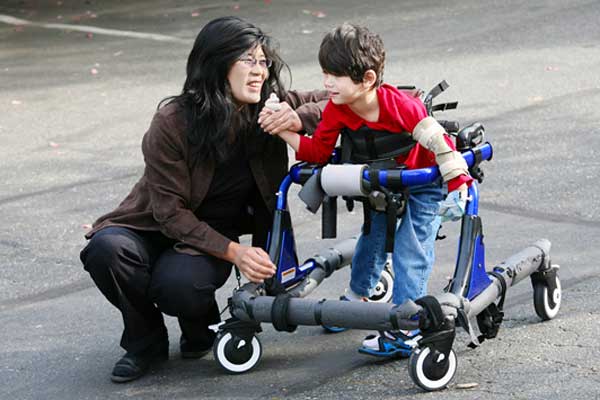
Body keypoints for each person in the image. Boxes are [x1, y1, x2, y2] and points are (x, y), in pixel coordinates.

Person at [80, 16, 327, 383]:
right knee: (105, 250)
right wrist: (236, 253)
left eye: (263, 61)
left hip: (208, 236)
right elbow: (169, 213)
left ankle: (200, 327)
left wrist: (297, 115)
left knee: (178, 286)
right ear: (216, 63)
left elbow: (342, 99)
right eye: (248, 60)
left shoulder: (268, 108)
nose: (259, 71)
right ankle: (144, 341)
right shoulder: (172, 121)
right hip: (154, 225)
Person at [261, 23, 472, 358]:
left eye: (335, 75)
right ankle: (356, 300)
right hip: (381, 181)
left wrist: (458, 185)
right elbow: (316, 152)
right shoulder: (338, 109)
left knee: (409, 245)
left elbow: (439, 142)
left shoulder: (400, 105)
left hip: (423, 181)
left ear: (368, 79)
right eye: (325, 73)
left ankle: (406, 326)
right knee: (371, 235)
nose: (327, 82)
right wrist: (283, 131)